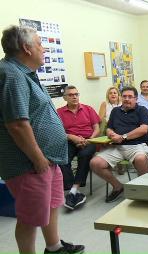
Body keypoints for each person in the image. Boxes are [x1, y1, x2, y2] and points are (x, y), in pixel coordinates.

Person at [0, 25, 84, 254]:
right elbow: (17, 124)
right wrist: (37, 158)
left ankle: (54, 247)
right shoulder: (11, 74)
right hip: (29, 163)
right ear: (27, 48)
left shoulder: (26, 73)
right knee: (30, 217)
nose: (44, 48)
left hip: (47, 159)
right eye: (39, 43)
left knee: (51, 204)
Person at [90, 86, 148, 203]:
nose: (127, 99)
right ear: (121, 97)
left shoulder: (142, 110)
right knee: (95, 163)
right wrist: (111, 133)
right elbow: (109, 128)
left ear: (136, 99)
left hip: (137, 145)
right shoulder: (115, 111)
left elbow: (143, 129)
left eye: (130, 97)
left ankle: (146, 189)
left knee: (140, 159)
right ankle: (118, 186)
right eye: (124, 96)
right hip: (117, 147)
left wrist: (123, 137)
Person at [57, 85, 100, 210]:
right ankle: (74, 191)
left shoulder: (88, 109)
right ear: (65, 98)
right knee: (62, 157)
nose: (74, 97)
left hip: (89, 140)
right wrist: (72, 137)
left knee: (84, 155)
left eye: (76, 94)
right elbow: (59, 131)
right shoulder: (59, 112)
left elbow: (96, 128)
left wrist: (89, 139)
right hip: (69, 141)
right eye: (70, 95)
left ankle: (73, 190)